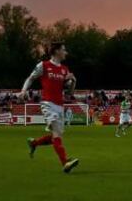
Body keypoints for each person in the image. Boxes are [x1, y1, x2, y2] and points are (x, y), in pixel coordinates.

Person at [20, 42, 80, 173]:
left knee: (56, 137)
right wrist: (23, 91)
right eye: (64, 50)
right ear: (56, 51)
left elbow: (69, 93)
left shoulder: (64, 69)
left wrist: (73, 81)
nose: (66, 52)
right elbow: (30, 78)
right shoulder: (44, 65)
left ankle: (34, 143)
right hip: (47, 104)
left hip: (59, 105)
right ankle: (65, 163)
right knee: (56, 134)